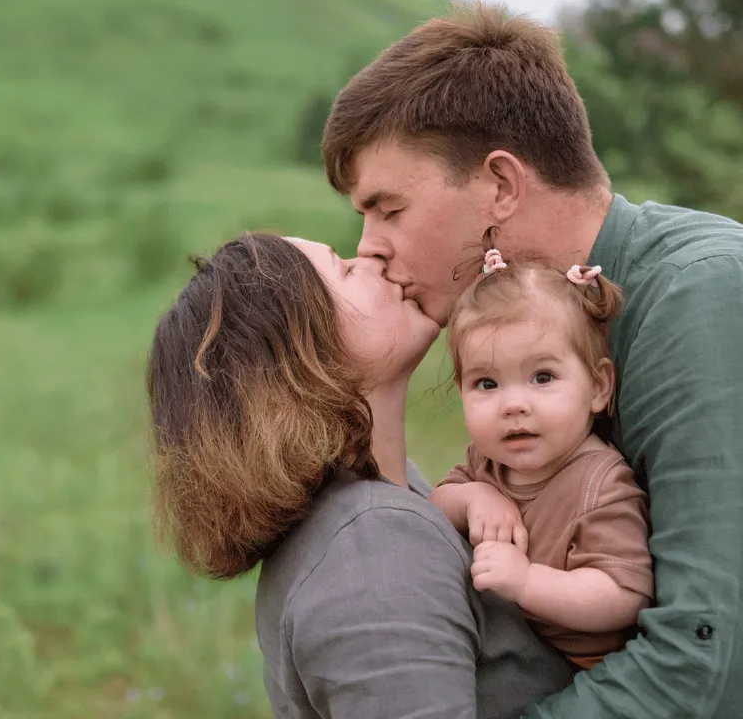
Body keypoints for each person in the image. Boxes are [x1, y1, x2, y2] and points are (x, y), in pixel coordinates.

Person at [322, 4, 743, 718]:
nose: (370, 247)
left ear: (501, 186)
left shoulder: (716, 297)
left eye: (388, 209)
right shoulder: (538, 343)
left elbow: (701, 667)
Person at [146, 232, 574, 718]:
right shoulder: (371, 546)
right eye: (346, 270)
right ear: (300, 356)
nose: (371, 256)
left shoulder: (387, 500)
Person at [429, 248, 653, 671]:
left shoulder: (599, 484)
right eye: (487, 383)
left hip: (583, 671)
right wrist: (474, 497)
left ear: (598, 386)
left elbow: (623, 595)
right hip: (509, 648)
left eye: (542, 377)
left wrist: (527, 581)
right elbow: (435, 510)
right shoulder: (487, 465)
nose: (514, 404)